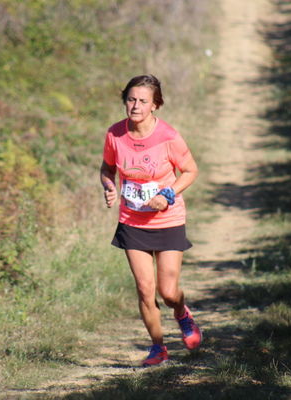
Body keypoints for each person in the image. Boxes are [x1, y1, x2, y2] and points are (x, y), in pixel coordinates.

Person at [100, 74, 201, 367]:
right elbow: (107, 169)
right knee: (145, 290)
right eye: (131, 99)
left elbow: (191, 171)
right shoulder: (115, 134)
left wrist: (167, 195)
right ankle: (158, 348)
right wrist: (108, 187)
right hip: (132, 221)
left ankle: (181, 312)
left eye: (143, 101)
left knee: (167, 292)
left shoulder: (168, 136)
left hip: (167, 220)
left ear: (155, 105)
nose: (135, 106)